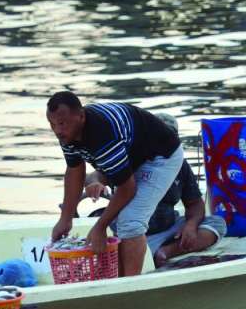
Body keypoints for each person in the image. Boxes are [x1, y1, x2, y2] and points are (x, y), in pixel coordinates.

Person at [47, 91, 183, 276]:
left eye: (62, 124)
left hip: (160, 156)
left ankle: (131, 285)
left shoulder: (102, 135)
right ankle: (120, 279)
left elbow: (128, 189)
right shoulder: (68, 134)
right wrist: (66, 218)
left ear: (81, 116)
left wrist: (100, 226)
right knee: (120, 219)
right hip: (133, 156)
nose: (57, 131)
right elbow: (75, 170)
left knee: (131, 220)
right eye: (52, 124)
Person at [83, 113, 226, 268]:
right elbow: (96, 175)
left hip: (169, 228)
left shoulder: (178, 163)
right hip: (132, 233)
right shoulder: (127, 159)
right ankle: (146, 252)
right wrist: (95, 183)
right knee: (128, 244)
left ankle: (167, 251)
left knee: (217, 223)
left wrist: (191, 225)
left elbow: (195, 203)